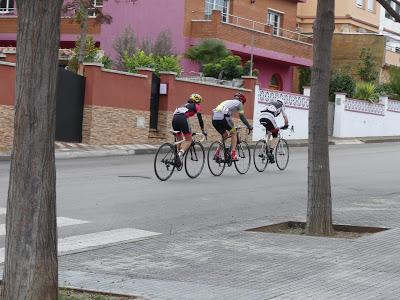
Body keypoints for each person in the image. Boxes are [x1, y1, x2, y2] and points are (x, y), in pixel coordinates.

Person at [211, 92, 253, 161]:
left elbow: (228, 117)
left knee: (225, 135)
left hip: (214, 118)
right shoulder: (239, 103)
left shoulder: (227, 101)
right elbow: (241, 116)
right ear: (242, 101)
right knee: (234, 132)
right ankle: (233, 154)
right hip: (223, 117)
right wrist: (249, 126)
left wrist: (232, 125)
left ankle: (217, 153)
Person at [172, 93, 207, 165]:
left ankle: (177, 158)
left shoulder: (184, 105)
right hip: (182, 118)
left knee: (179, 139)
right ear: (198, 101)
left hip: (175, 118)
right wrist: (203, 130)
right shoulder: (196, 106)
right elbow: (200, 119)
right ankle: (179, 155)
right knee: (189, 140)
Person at [259, 99, 289, 163]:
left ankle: (263, 150)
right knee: (276, 134)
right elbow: (285, 118)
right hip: (269, 117)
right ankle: (270, 152)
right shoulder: (281, 106)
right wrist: (286, 125)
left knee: (270, 131)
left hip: (261, 117)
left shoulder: (270, 103)